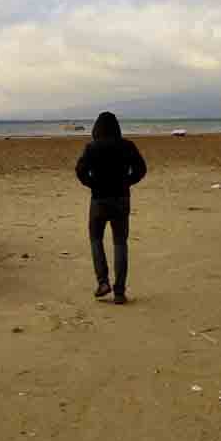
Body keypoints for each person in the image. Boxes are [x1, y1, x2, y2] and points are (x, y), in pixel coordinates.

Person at [74, 111, 147, 304]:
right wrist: (128, 181)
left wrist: (92, 184)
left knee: (96, 239)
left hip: (99, 198)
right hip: (121, 198)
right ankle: (120, 291)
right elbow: (141, 169)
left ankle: (103, 282)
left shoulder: (92, 147)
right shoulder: (127, 146)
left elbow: (80, 171)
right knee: (120, 243)